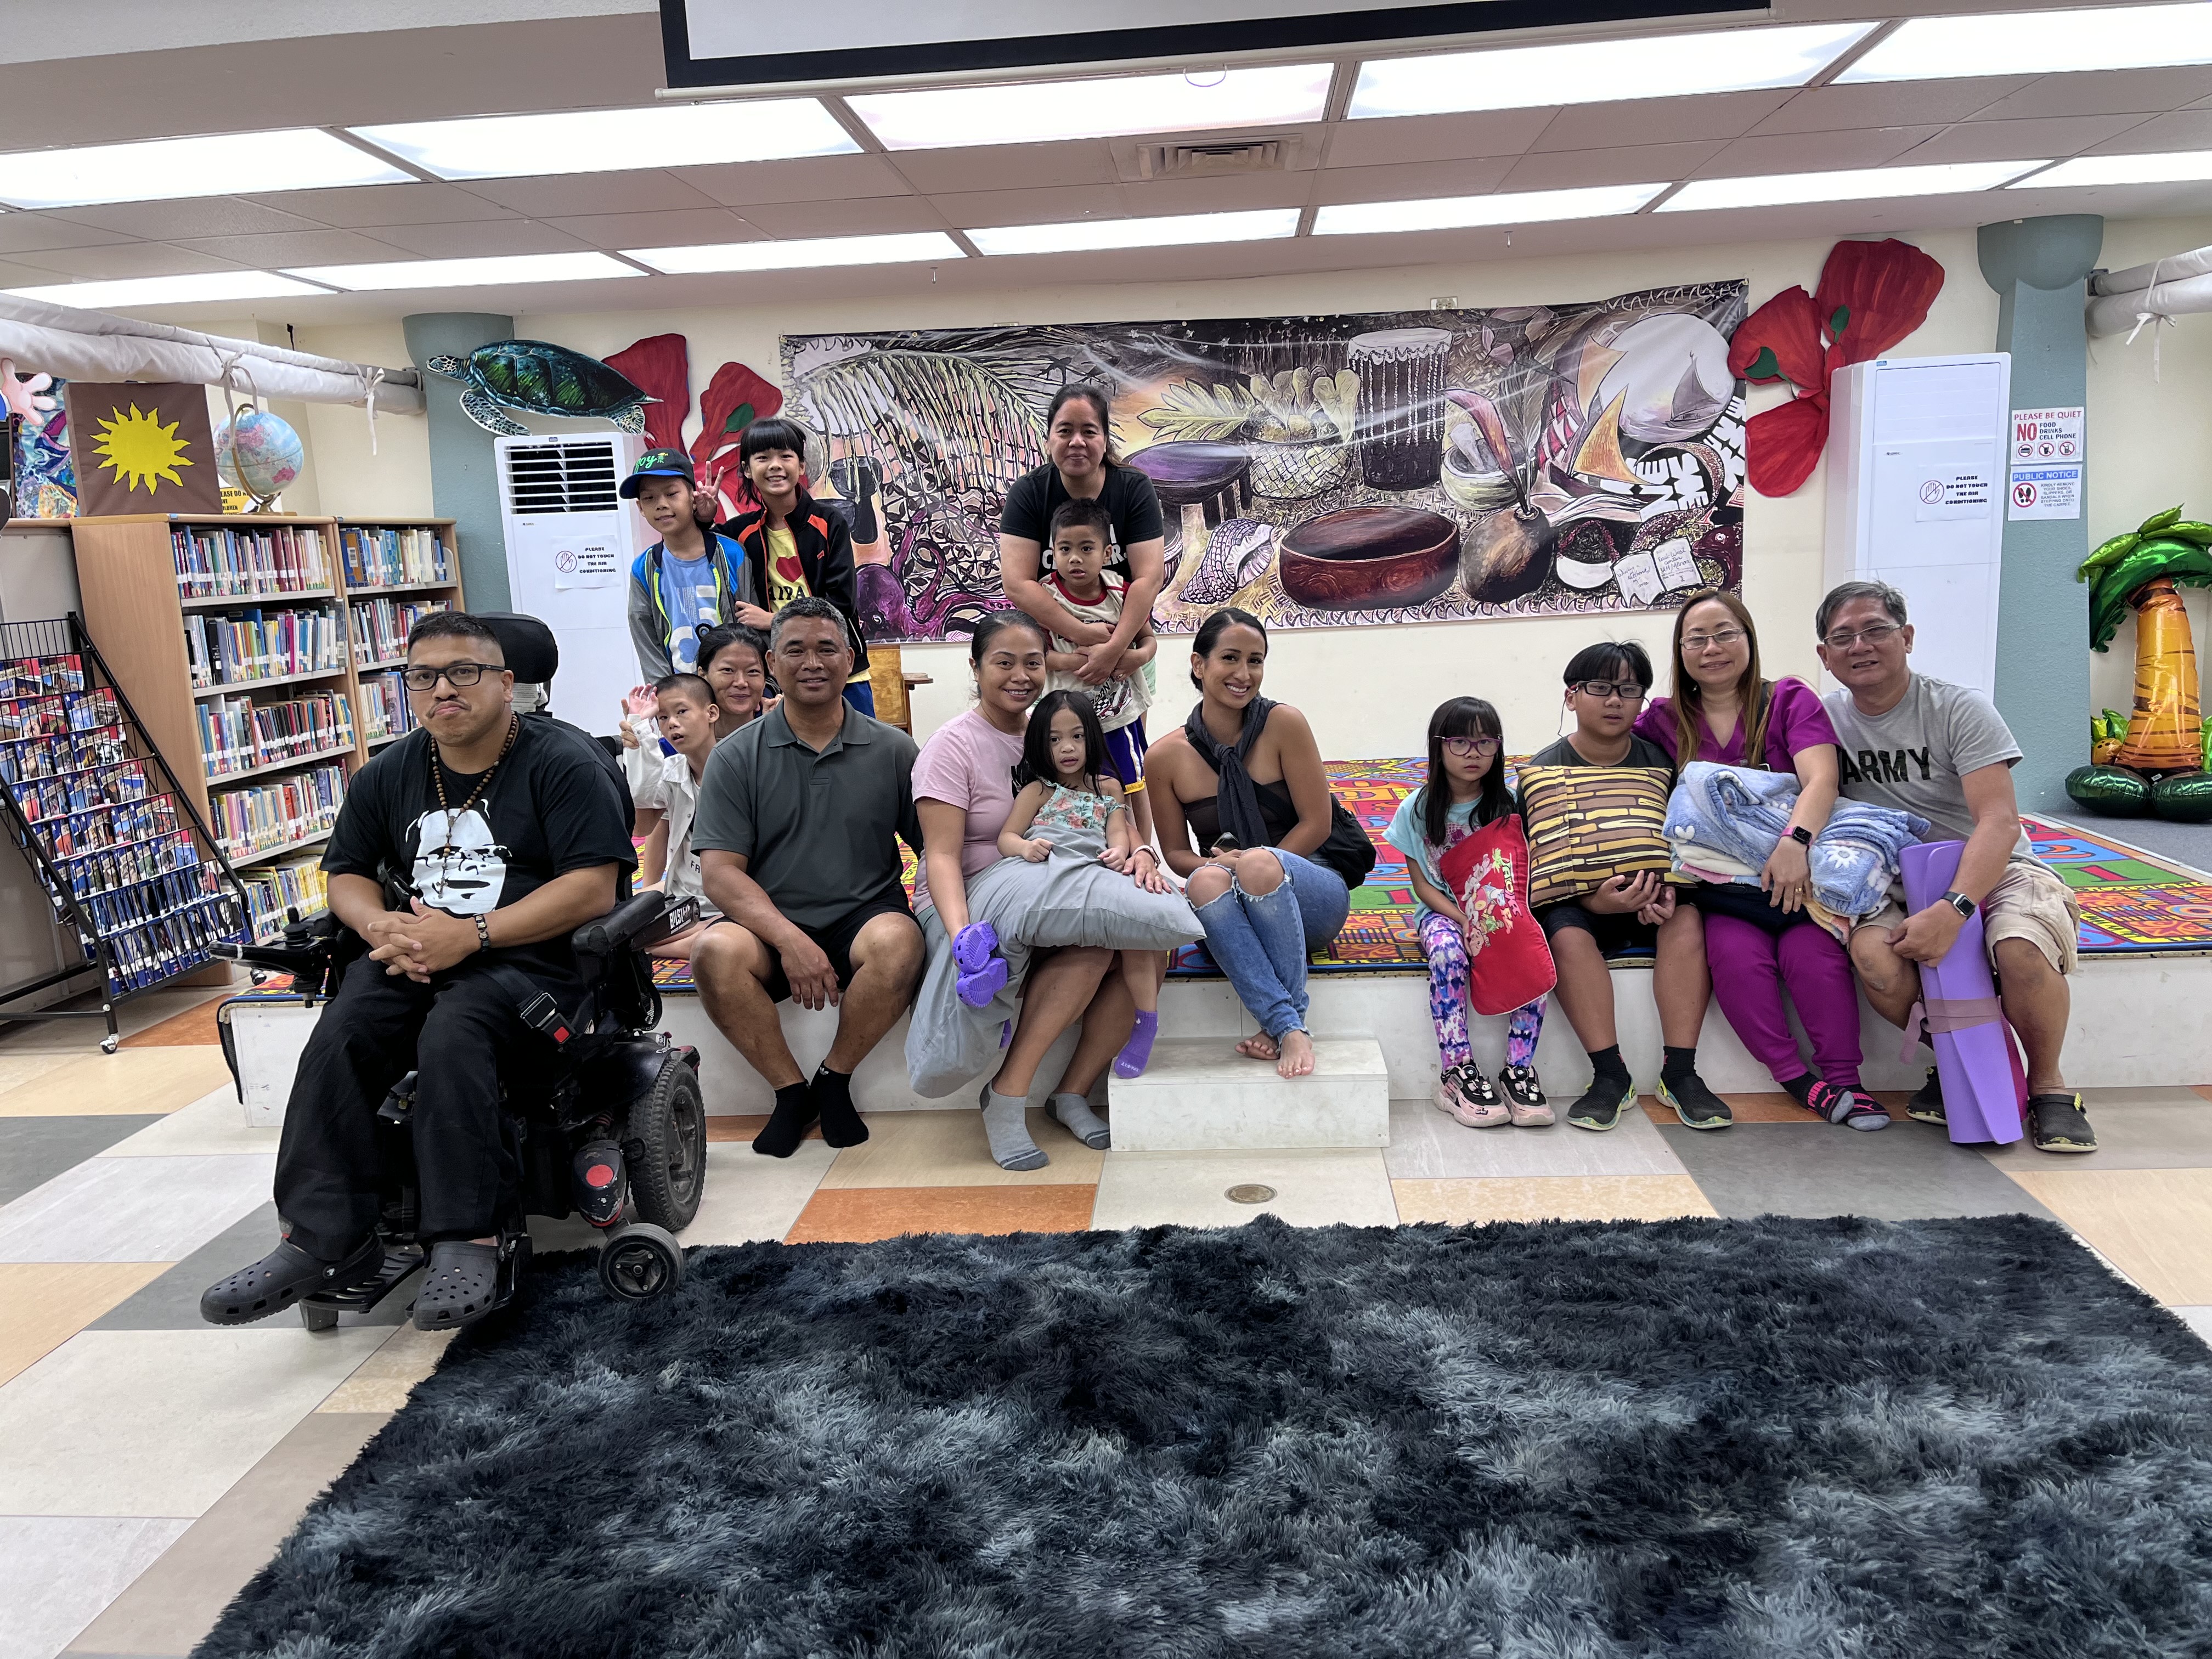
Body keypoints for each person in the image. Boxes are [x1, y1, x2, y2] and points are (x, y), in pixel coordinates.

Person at [200, 612, 635, 1330]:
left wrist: (475, 934)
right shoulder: (390, 772)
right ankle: (321, 1237)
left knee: (455, 1036)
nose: (444, 691)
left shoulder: (565, 764)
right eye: (424, 677)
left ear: (503, 682)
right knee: (343, 1032)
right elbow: (344, 874)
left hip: (535, 962)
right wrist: (379, 925)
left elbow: (593, 887)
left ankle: (468, 1236)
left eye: (463, 673)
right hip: (417, 948)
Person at [1815, 579, 2095, 1153]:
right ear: (1825, 655)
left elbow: (1999, 821)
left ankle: (2048, 1087)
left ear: (1907, 637)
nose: (1860, 646)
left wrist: (1955, 907)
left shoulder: (1958, 707)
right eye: (1842, 638)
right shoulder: (1825, 721)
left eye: (1876, 630)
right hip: (1890, 876)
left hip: (1990, 865)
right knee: (1874, 958)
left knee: (2019, 947)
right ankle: (1959, 1061)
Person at [913, 614, 1172, 1170]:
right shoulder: (952, 746)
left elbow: (1112, 809)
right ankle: (1007, 1097)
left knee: (1130, 932)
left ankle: (1070, 1093)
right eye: (1003, 662)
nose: (1020, 675)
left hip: (1051, 884)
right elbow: (938, 856)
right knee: (1095, 943)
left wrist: (1142, 853)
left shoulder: (1052, 733)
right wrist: (965, 936)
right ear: (976, 667)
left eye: (1032, 662)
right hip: (969, 894)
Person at [1635, 591, 1886, 1131]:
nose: (1712, 648)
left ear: (1749, 638)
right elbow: (1620, 773)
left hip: (1796, 882)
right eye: (1696, 639)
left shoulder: (1789, 699)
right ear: (1680, 652)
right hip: (1722, 893)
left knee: (1816, 960)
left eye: (1725, 633)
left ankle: (1846, 1079)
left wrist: (1795, 844)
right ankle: (1800, 1081)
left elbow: (1821, 778)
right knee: (1737, 962)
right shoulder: (1662, 719)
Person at [689, 597, 925, 1159]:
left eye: (826, 649)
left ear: (849, 660)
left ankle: (833, 1080)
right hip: (771, 926)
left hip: (865, 918)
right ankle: (790, 1093)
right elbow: (720, 874)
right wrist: (788, 939)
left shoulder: (894, 750)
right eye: (795, 650)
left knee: (902, 942)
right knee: (712, 951)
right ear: (773, 663)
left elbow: (933, 848)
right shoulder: (734, 757)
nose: (812, 663)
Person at [1523, 641, 1727, 1133]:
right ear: (1572, 697)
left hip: (1656, 901)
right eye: (1599, 688)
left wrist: (1668, 893)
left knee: (1688, 921)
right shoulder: (1541, 771)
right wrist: (1596, 900)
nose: (1614, 701)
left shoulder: (1663, 765)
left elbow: (1682, 844)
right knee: (1565, 935)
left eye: (1629, 689)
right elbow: (1541, 868)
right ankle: (1610, 1077)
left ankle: (1681, 1073)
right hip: (1582, 906)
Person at [1147, 609, 1357, 1081]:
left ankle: (1285, 1020)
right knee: (1202, 882)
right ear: (1199, 665)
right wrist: (1221, 866)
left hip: (1311, 890)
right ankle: (1288, 1027)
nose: (1245, 674)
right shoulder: (1164, 757)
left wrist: (1257, 864)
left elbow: (1318, 824)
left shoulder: (1285, 724)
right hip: (1230, 894)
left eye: (1256, 661)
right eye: (1230, 658)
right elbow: (1177, 855)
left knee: (1260, 866)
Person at [1384, 697, 1550, 1128]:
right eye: (1460, 742)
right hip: (1443, 914)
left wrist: (1498, 921)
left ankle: (1518, 1069)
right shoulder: (1416, 810)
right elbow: (1422, 886)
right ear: (1438, 747)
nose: (1473, 753)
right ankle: (1456, 1073)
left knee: (1533, 951)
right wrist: (1462, 921)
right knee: (1447, 953)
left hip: (1498, 909)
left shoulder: (1509, 805)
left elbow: (1520, 872)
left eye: (1485, 742)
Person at [997, 689, 1166, 1077]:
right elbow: (1006, 837)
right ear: (1040, 745)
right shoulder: (1038, 790)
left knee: (1136, 925)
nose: (1067, 748)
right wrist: (1025, 849)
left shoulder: (1109, 788)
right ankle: (998, 1010)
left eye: (1077, 736)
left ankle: (1146, 1023)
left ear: (1092, 737)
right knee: (1011, 925)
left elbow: (1119, 830)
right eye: (1054, 740)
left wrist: (1121, 853)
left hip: (1096, 874)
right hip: (1048, 875)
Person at [999, 383, 1165, 705]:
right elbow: (1017, 584)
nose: (1077, 442)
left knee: (1125, 750)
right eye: (1065, 431)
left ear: (1105, 439)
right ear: (1049, 439)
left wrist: (1115, 649)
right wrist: (1084, 633)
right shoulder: (1029, 492)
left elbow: (1149, 578)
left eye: (1089, 431)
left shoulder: (1134, 487)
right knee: (1052, 749)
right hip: (1051, 652)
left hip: (1125, 649)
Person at [723, 416, 874, 716]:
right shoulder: (738, 533)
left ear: (801, 466)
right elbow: (697, 550)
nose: (775, 465)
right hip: (780, 673)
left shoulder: (830, 522)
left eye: (785, 456)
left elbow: (842, 602)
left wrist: (774, 619)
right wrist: (703, 518)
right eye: (763, 457)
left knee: (860, 751)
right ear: (746, 469)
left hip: (841, 665)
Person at [1038, 496, 1158, 847]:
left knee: (1133, 784)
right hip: (1068, 723)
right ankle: (1089, 847)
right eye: (1065, 549)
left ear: (1106, 554)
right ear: (1053, 552)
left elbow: (1148, 640)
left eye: (1087, 548)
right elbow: (1037, 657)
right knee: (1077, 785)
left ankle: (1145, 851)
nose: (1075, 558)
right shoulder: (1047, 597)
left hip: (1119, 715)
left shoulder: (1121, 593)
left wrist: (1137, 657)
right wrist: (1072, 662)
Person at [623, 448, 748, 681]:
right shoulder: (643, 569)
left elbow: (750, 624)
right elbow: (646, 640)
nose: (661, 505)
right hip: (682, 699)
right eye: (649, 498)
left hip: (735, 689)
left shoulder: (731, 553)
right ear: (640, 508)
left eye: (671, 494)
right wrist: (667, 693)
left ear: (693, 497)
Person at [630, 672, 720, 959]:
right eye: (663, 718)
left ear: (711, 713)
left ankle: (713, 928)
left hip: (726, 903)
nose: (673, 724)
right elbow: (642, 811)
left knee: (690, 947)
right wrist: (640, 733)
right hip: (684, 900)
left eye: (681, 712)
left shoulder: (739, 768)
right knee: (624, 938)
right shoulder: (672, 770)